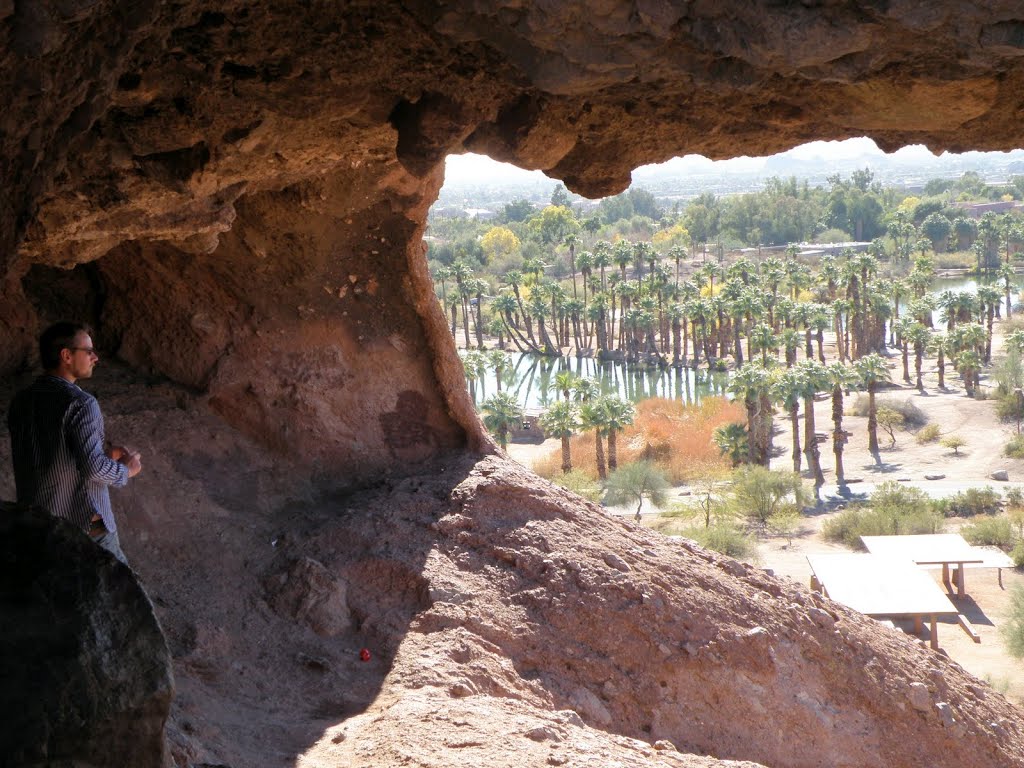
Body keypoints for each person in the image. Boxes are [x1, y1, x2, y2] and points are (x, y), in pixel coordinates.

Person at [7, 321, 142, 564]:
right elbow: (93, 468)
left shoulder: (21, 402)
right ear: (66, 355)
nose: (95, 357)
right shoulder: (81, 403)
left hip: (37, 525)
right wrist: (126, 469)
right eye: (88, 351)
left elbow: (49, 455)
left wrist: (101, 453)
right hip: (85, 527)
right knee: (127, 595)